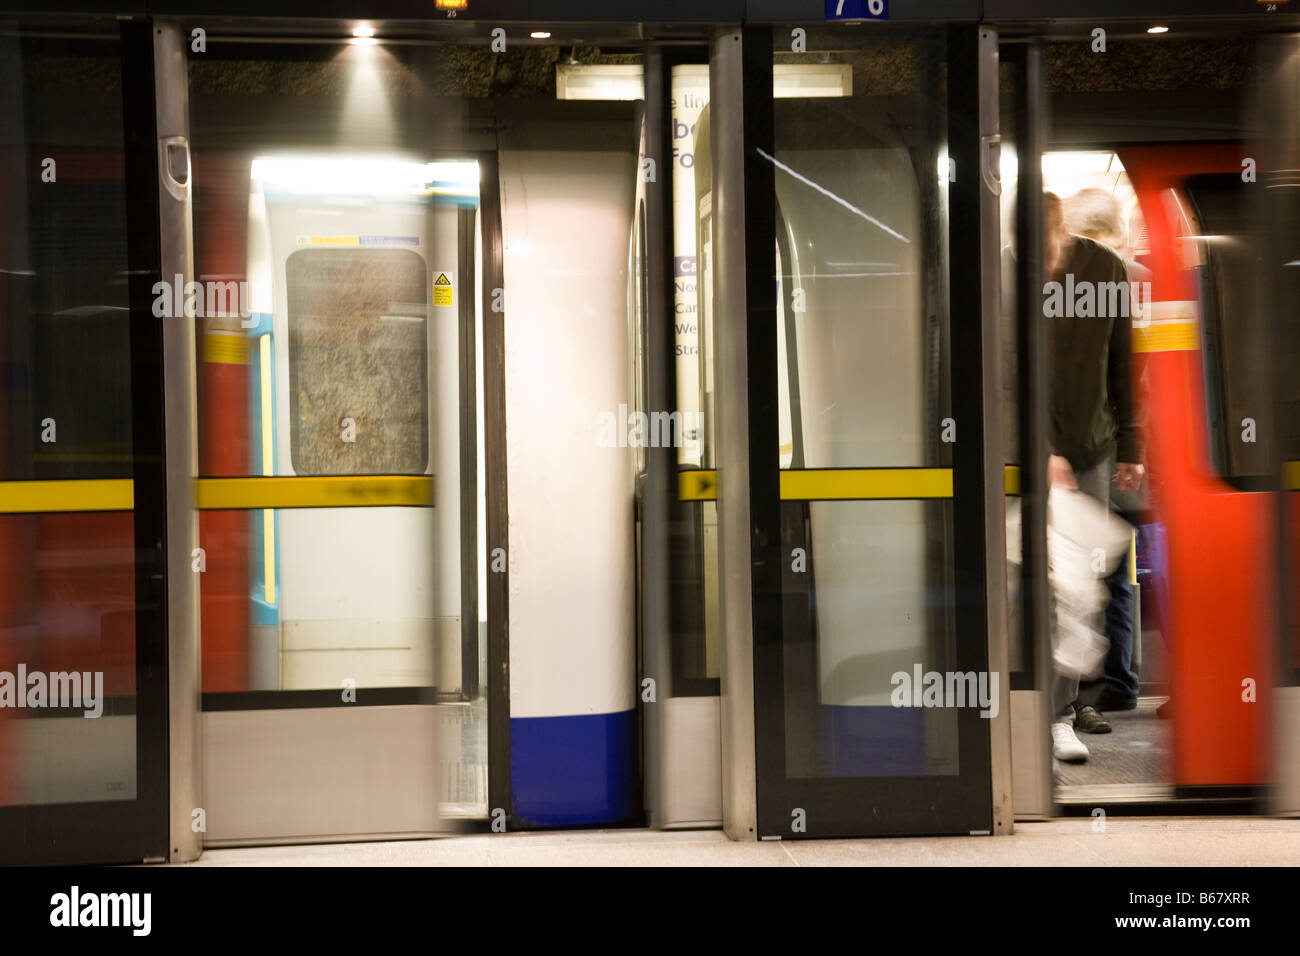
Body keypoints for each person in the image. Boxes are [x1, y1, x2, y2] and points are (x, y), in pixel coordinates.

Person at [1043, 191, 1144, 763]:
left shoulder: (1106, 269)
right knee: (1043, 580)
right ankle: (1051, 704)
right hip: (1031, 456)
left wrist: (1130, 443)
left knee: (1086, 581)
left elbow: (1122, 357)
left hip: (1094, 447)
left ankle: (1079, 700)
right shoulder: (1007, 270)